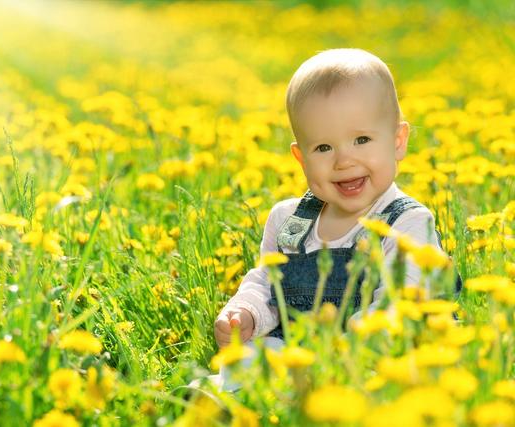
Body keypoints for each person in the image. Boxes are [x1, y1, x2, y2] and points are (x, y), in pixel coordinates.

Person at [198, 48, 461, 393]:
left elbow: (400, 305)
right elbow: (266, 284)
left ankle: (259, 395)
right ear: (300, 157)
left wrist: (338, 358)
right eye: (323, 148)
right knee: (255, 352)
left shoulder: (408, 222)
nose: (344, 161)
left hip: (375, 360)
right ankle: (217, 397)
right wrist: (246, 312)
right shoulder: (288, 221)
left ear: (398, 142)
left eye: (362, 140)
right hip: (302, 356)